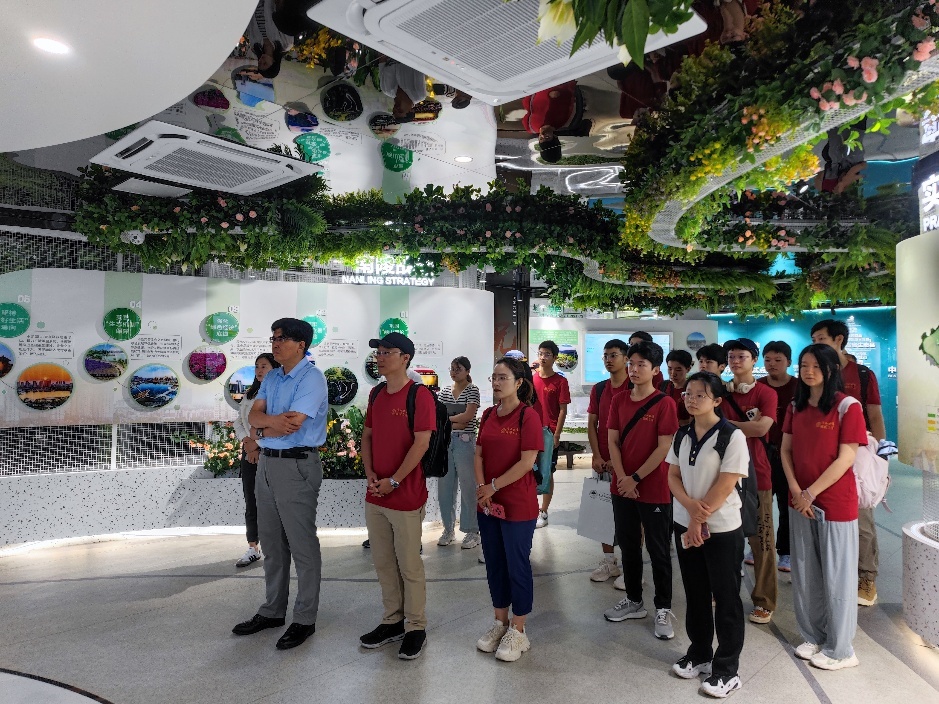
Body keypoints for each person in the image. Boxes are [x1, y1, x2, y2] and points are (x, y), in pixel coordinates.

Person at [233, 318, 328, 651]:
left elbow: (293, 424)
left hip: (297, 465)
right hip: (267, 463)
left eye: (282, 338)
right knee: (272, 544)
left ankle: (304, 618)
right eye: (273, 337)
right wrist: (266, 426)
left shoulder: (312, 378)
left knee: (301, 545)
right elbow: (253, 417)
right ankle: (273, 610)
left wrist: (262, 428)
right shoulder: (272, 377)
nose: (275, 343)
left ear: (301, 344)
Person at [782, 344, 868, 670]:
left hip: (834, 504)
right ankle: (813, 636)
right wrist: (796, 491)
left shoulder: (847, 407)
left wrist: (810, 493)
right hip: (799, 501)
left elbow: (846, 458)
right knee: (806, 574)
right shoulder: (796, 406)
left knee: (838, 577)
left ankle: (841, 649)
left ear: (831, 369)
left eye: (816, 366)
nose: (808, 371)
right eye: (804, 365)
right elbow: (786, 451)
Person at [667, 372, 748, 699]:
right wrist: (690, 510)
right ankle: (700, 652)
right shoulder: (682, 434)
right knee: (695, 591)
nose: (692, 399)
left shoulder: (731, 436)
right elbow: (673, 476)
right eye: (688, 393)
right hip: (685, 522)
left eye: (700, 394)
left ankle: (727, 669)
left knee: (726, 597)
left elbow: (726, 483)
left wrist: (698, 519)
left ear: (717, 400)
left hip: (722, 527)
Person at [359, 332, 435, 660]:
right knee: (383, 563)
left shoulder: (419, 395)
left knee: (409, 564)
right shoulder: (376, 393)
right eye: (378, 352)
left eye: (386, 352)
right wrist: (370, 473)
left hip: (405, 495)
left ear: (405, 358)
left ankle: (416, 626)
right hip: (376, 494)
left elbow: (422, 443)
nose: (379, 357)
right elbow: (367, 436)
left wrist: (394, 480)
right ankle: (392, 620)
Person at [603, 341, 679, 640]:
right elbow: (612, 441)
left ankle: (663, 607)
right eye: (631, 364)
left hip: (653, 486)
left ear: (656, 370)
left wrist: (635, 478)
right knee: (629, 545)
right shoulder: (619, 400)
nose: (634, 369)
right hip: (622, 486)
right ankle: (634, 600)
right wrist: (623, 478)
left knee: (658, 550)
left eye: (641, 365)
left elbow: (664, 447)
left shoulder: (665, 403)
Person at [474, 356, 544, 662]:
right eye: (494, 377)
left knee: (517, 565)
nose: (497, 382)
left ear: (519, 383)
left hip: (517, 503)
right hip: (488, 503)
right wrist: (482, 489)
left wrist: (493, 486)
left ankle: (519, 629)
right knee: (494, 563)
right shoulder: (488, 414)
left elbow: (527, 463)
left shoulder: (528, 416)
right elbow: (478, 454)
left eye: (503, 377)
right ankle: (499, 622)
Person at [810, 319, 885, 607]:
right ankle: (836, 574)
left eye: (821, 339)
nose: (816, 345)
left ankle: (866, 578)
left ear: (839, 340)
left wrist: (880, 455)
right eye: (813, 340)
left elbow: (874, 414)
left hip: (858, 454)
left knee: (861, 517)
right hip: (823, 454)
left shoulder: (862, 374)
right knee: (826, 516)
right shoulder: (816, 373)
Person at [721, 338, 778, 625]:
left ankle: (764, 600)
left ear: (754, 360)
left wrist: (726, 425)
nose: (735, 361)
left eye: (741, 356)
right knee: (724, 538)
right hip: (723, 475)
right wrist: (744, 427)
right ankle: (723, 593)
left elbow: (761, 428)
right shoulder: (719, 391)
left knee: (762, 541)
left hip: (758, 475)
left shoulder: (766, 393)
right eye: (731, 356)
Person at [586, 338, 631, 588]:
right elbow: (593, 424)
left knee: (630, 518)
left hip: (627, 464)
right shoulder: (600, 388)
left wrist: (619, 461)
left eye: (613, 355)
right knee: (603, 513)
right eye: (605, 355)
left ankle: (631, 567)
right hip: (602, 462)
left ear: (626, 358)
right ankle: (608, 561)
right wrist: (596, 455)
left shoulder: (634, 387)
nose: (608, 360)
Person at [233, 352, 281, 568]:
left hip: (269, 453)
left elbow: (275, 425)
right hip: (249, 452)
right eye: (257, 366)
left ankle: (277, 545)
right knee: (251, 500)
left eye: (264, 366)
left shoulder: (278, 394)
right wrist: (246, 441)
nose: (259, 370)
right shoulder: (250, 394)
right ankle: (253, 547)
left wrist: (256, 445)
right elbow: (238, 422)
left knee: (272, 501)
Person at [757, 340, 798, 573]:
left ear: (788, 362)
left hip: (788, 454)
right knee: (760, 502)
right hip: (762, 451)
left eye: (778, 360)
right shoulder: (759, 386)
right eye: (768, 360)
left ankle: (786, 552)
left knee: (785, 503)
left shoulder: (799, 387)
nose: (772, 364)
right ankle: (758, 547)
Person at [437, 356, 482, 549]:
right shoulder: (444, 391)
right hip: (445, 442)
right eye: (452, 368)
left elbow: (468, 417)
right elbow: (439, 417)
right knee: (445, 489)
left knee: (468, 487)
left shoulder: (472, 390)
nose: (454, 372)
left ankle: (472, 531)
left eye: (459, 369)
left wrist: (449, 420)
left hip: (465, 441)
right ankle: (448, 529)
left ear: (467, 371)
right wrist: (456, 420)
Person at [532, 340, 571, 528]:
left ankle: (544, 511)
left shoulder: (560, 381)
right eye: (541, 353)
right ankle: (530, 509)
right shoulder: (531, 379)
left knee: (547, 471)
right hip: (531, 432)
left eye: (547, 354)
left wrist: (557, 434)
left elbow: (563, 409)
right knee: (530, 470)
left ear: (555, 357)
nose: (543, 357)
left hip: (549, 432)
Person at [664, 349, 694, 426]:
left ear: (688, 369)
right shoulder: (663, 386)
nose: (673, 373)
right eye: (670, 369)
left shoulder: (693, 390)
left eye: (678, 370)